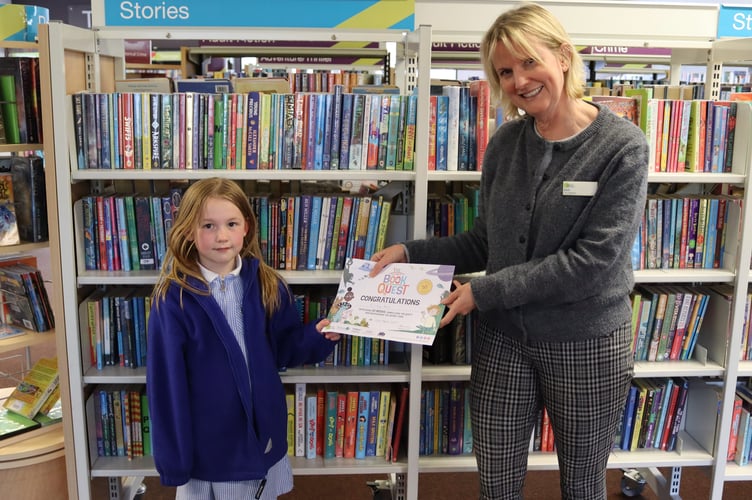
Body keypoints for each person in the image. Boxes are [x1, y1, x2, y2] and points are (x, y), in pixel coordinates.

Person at [370, 3, 648, 499]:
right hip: (504, 341)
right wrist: (409, 253)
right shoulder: (505, 143)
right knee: (495, 482)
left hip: (585, 342)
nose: (518, 80)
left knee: (583, 484)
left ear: (562, 56)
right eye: (505, 71)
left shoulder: (622, 147)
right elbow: (486, 241)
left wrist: (484, 292)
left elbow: (593, 263)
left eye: (528, 62)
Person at [146, 177, 341, 500]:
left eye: (231, 224)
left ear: (246, 227)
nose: (221, 236)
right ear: (188, 232)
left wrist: (319, 335)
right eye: (208, 225)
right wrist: (174, 462)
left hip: (259, 441)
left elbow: (285, 349)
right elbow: (166, 385)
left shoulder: (268, 284)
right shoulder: (173, 299)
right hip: (208, 449)